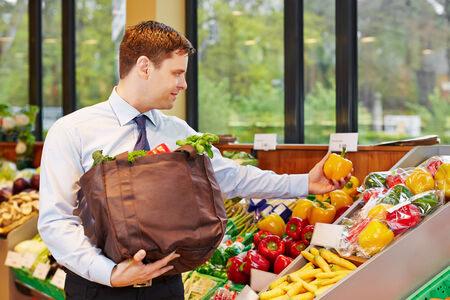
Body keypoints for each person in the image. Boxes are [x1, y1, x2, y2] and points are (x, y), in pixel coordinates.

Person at [38, 20, 350, 300]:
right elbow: (56, 221)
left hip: (168, 286)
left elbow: (230, 178)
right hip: (98, 290)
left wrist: (305, 183)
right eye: (177, 73)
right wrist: (109, 273)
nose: (183, 85)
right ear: (144, 67)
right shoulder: (72, 131)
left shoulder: (179, 132)